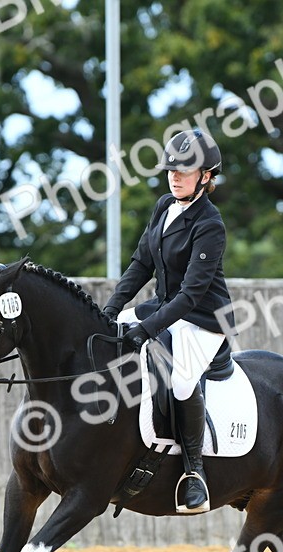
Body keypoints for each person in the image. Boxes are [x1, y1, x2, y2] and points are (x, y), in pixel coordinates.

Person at [103, 129, 235, 514]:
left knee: (180, 383)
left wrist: (146, 328)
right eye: (170, 170)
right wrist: (112, 308)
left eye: (184, 170)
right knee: (105, 334)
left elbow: (191, 295)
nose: (174, 177)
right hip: (163, 306)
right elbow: (142, 262)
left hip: (203, 319)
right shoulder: (164, 206)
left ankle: (194, 474)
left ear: (206, 176)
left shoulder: (210, 224)